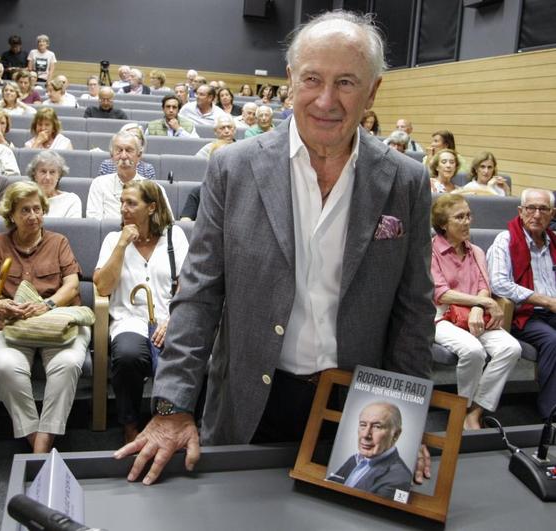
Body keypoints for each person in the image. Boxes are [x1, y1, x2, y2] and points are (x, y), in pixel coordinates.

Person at [116, 10, 434, 486]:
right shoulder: (234, 168)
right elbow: (200, 295)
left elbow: (413, 310)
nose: (326, 100)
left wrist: (406, 417)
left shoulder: (407, 181)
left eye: (346, 82)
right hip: (249, 399)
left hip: (355, 412)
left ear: (373, 90)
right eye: (312, 79)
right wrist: (172, 406)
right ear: (290, 79)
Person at [0, 181, 88, 452]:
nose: (33, 216)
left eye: (37, 209)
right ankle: (35, 436)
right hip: (11, 324)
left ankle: (42, 442)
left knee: (69, 363)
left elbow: (72, 285)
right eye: (25, 210)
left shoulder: (58, 242)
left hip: (57, 322)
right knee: (5, 366)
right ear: (11, 215)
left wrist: (47, 305)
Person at [94, 180, 189, 443]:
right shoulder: (113, 239)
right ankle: (130, 423)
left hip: (169, 319)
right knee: (127, 355)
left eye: (131, 203)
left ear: (151, 207)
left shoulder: (174, 236)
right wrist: (122, 245)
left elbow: (188, 284)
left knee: (180, 353)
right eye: (122, 202)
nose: (123, 208)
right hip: (129, 320)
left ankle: (173, 420)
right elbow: (102, 287)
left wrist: (173, 320)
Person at [430, 194, 521, 428]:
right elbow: (441, 294)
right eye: (459, 217)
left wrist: (479, 307)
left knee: (511, 348)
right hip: (441, 317)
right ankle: (461, 409)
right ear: (443, 224)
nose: (467, 221)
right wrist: (483, 304)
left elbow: (484, 286)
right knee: (473, 350)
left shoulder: (476, 251)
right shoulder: (431, 251)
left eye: (469, 215)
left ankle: (476, 410)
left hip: (474, 315)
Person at [487, 188, 556, 420]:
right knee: (553, 340)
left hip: (553, 310)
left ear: (552, 213)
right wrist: (544, 300)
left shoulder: (554, 241)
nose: (537, 214)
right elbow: (498, 284)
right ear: (520, 211)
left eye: (543, 209)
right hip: (524, 315)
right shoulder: (505, 240)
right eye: (531, 208)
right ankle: (551, 414)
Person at [327, 402, 412, 498]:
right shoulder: (355, 460)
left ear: (395, 434)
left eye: (377, 426)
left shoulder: (399, 478)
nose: (365, 435)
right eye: (363, 425)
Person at [87, 132, 170, 219]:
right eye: (119, 150)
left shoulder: (155, 189)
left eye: (129, 150)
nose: (123, 156)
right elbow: (94, 224)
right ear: (112, 156)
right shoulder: (99, 184)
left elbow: (167, 224)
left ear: (139, 156)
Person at [27, 151, 82, 218]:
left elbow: (73, 228)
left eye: (52, 172)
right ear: (34, 175)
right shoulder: (25, 199)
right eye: (43, 171)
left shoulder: (71, 200)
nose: (48, 177)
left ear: (59, 176)